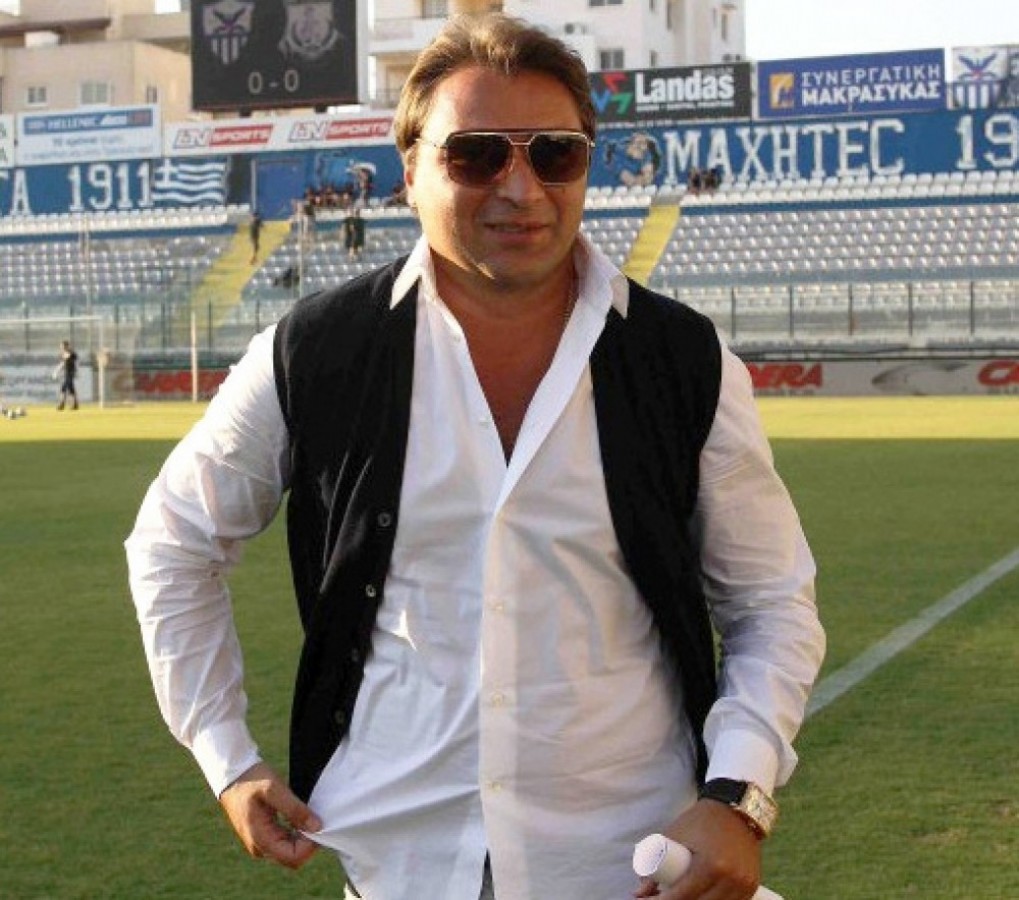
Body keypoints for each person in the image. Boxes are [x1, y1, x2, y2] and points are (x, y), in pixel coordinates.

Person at [126, 13, 824, 900]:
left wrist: (737, 795)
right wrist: (227, 757)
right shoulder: (314, 352)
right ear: (409, 170)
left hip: (632, 863)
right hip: (402, 866)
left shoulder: (682, 360)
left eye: (555, 154)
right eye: (477, 155)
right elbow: (172, 545)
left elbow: (770, 602)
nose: (520, 188)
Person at [54, 339, 79, 410]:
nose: (62, 348)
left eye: (63, 346)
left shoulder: (72, 354)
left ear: (67, 346)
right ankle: (75, 404)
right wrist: (56, 371)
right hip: (66, 373)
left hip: (71, 373)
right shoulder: (62, 354)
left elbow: (76, 363)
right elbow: (62, 364)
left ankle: (62, 404)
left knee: (64, 387)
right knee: (71, 389)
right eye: (61, 347)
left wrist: (77, 372)